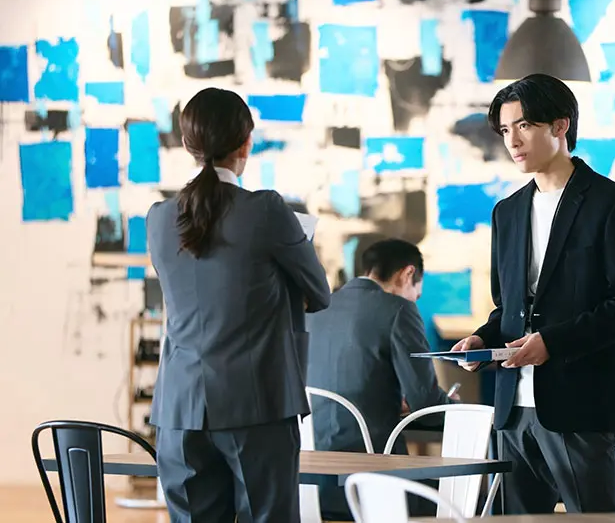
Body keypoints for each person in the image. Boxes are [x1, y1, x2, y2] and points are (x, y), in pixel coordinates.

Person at [452, 74, 615, 514]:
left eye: (524, 126)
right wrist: (483, 339)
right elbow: (508, 308)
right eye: (506, 130)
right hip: (512, 407)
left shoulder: (613, 204)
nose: (513, 141)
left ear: (561, 125)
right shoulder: (507, 212)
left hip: (580, 404)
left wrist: (552, 343)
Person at [146, 87, 331, 523]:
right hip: (257, 406)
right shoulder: (266, 209)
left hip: (179, 409)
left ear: (188, 144)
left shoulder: (158, 217)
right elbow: (319, 293)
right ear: (246, 143)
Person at [306, 238, 457, 520]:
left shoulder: (315, 309)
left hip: (310, 485)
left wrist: (384, 401)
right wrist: (452, 405)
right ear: (408, 273)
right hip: (373, 482)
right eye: (416, 294)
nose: (414, 300)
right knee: (464, 498)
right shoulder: (398, 309)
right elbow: (426, 405)